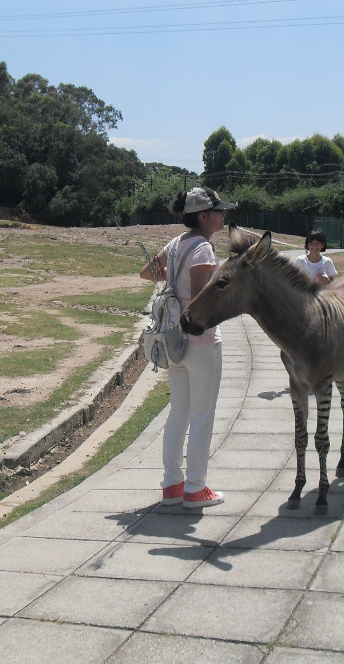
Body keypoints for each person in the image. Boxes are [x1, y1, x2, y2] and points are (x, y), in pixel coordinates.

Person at [139, 186, 236, 509]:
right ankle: (196, 488)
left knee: (178, 413)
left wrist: (170, 278)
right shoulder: (204, 250)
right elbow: (200, 300)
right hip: (201, 342)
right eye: (218, 211)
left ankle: (172, 485)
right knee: (202, 415)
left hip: (173, 342)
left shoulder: (176, 244)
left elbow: (146, 272)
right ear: (204, 216)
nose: (223, 215)